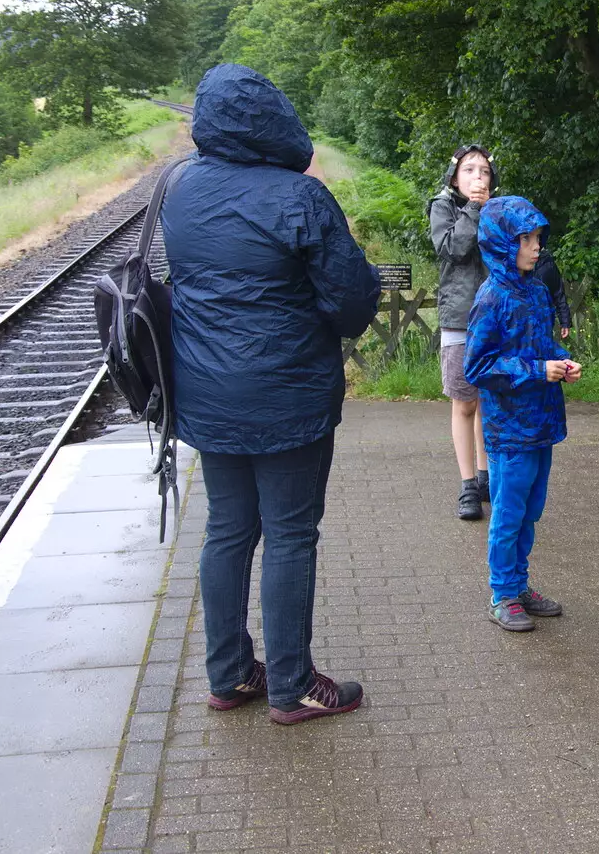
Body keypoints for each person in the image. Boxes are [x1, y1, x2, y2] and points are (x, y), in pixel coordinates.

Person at [162, 63, 382, 725]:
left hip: (206, 394)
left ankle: (229, 675)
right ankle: (292, 685)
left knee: (227, 530)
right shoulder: (299, 196)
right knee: (290, 535)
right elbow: (350, 306)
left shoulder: (179, 188)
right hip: (287, 395)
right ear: (275, 120)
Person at [463, 195, 581, 632]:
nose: (536, 247)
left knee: (531, 509)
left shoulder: (537, 290)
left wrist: (562, 362)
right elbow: (476, 366)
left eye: (536, 237)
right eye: (525, 239)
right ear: (501, 244)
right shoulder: (491, 297)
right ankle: (503, 593)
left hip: (542, 422)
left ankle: (520, 583)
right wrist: (537, 370)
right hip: (509, 429)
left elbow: (542, 347)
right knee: (508, 514)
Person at [428, 144, 500, 521]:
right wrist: (472, 208)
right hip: (459, 317)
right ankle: (467, 484)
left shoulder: (499, 210)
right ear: (455, 177)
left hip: (495, 317)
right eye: (470, 170)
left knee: (489, 400)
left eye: (484, 171)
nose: (478, 177)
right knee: (464, 401)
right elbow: (453, 248)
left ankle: (488, 477)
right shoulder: (442, 207)